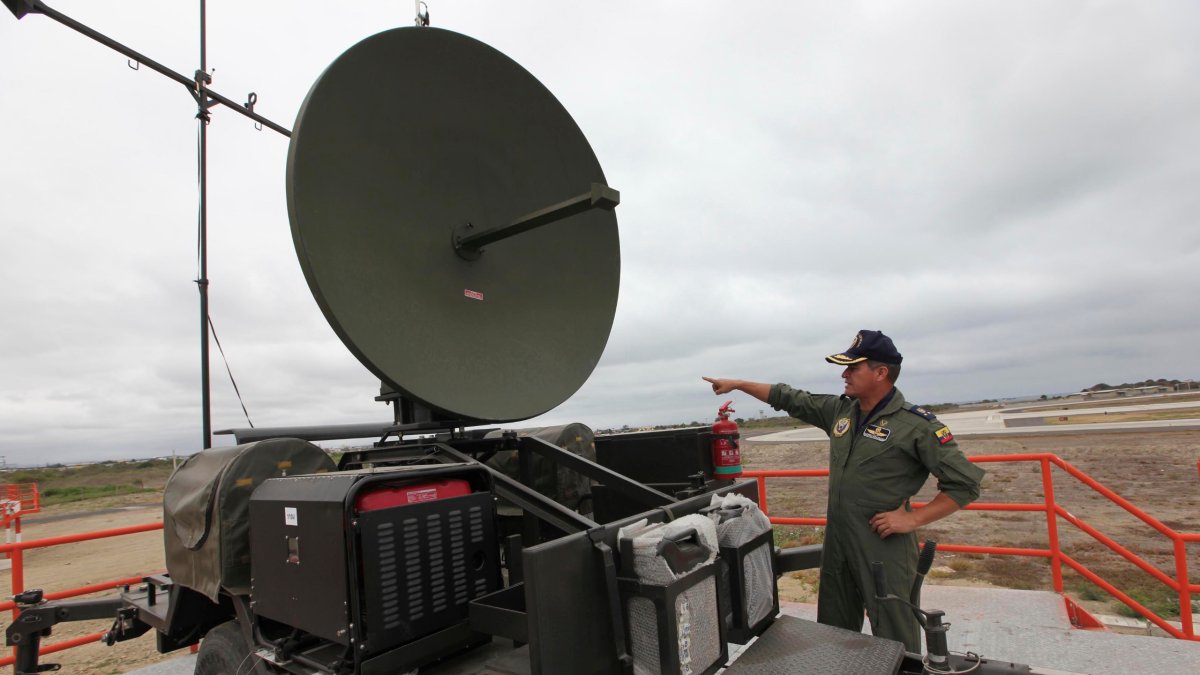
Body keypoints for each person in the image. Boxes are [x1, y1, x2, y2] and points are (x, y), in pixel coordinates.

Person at [702, 329, 984, 651]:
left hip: (882, 546)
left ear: (881, 373)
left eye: (853, 368)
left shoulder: (916, 425)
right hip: (838, 543)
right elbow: (789, 397)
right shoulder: (842, 412)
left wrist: (912, 520)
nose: (844, 374)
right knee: (834, 631)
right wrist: (738, 384)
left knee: (896, 634)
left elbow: (964, 483)